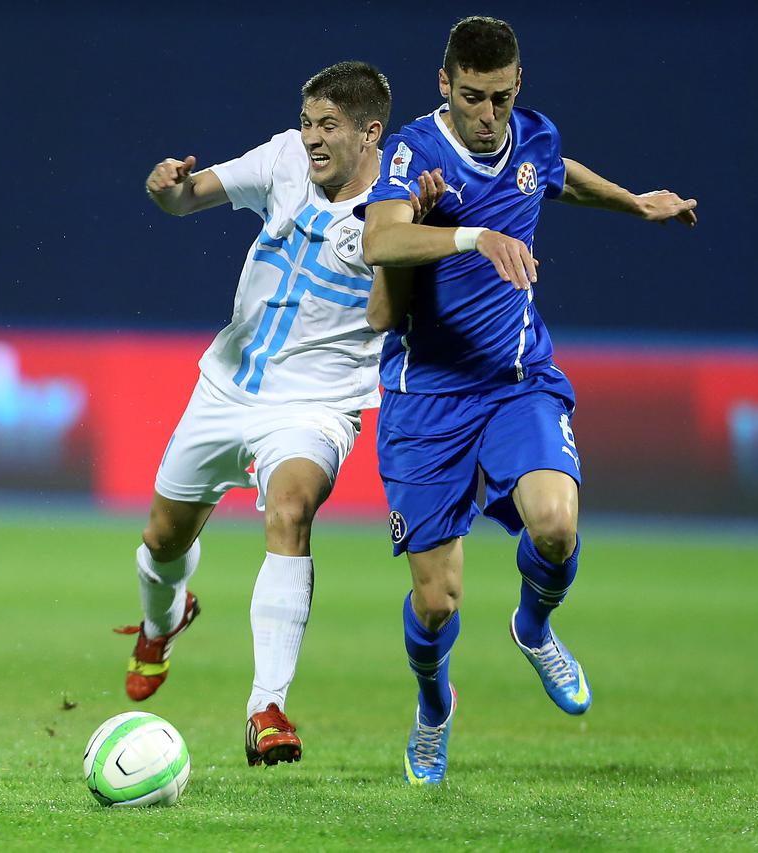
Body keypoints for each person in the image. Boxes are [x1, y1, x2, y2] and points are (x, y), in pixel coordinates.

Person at [357, 16, 698, 785]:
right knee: (437, 603)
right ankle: (434, 706)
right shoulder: (415, 151)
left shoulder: (533, 137)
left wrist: (634, 203)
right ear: (444, 85)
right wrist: (472, 236)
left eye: (500, 100)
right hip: (425, 397)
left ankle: (533, 626)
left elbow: (557, 173)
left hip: (516, 381)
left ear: (519, 88)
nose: (486, 116)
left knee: (555, 523)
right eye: (471, 97)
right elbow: (379, 240)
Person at [121, 61, 446, 768]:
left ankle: (266, 707)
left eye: (328, 125)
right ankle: (162, 620)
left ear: (370, 133)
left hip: (316, 404)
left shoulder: (397, 208)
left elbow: (388, 318)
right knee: (162, 541)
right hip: (225, 387)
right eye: (307, 122)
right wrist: (167, 189)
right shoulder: (282, 159)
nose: (312, 137)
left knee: (291, 508)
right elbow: (188, 198)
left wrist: (407, 247)